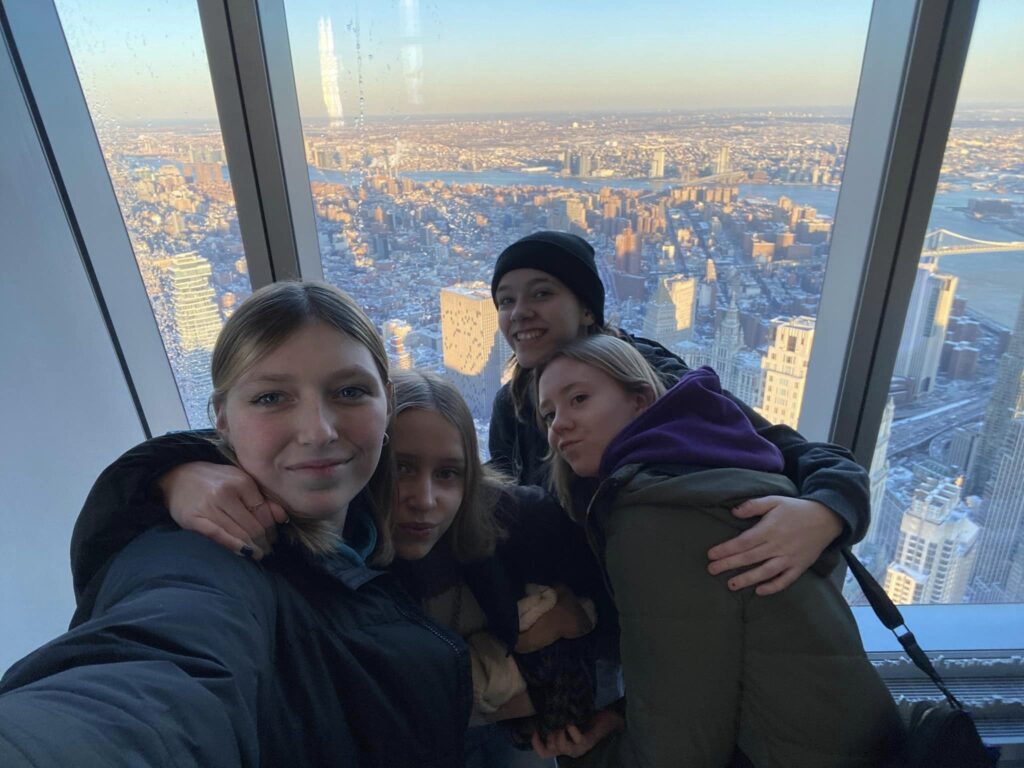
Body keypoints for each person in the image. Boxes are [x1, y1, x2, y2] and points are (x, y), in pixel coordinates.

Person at [0, 282, 471, 767]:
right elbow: (160, 673)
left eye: (350, 391)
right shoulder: (204, 558)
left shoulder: (390, 511)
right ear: (222, 418)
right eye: (271, 398)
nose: (319, 431)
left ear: (388, 403)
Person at [62, 368, 617, 768]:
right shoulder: (318, 552)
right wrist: (173, 474)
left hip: (509, 744)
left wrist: (605, 702)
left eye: (448, 473)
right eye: (401, 469)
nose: (424, 499)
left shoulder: (517, 520)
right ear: (366, 459)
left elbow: (624, 603)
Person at [532, 334, 905, 767]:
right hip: (850, 736)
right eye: (548, 414)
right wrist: (623, 716)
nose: (558, 424)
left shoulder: (653, 518)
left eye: (578, 399)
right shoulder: (705, 455)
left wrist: (589, 760)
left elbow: (680, 749)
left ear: (640, 400)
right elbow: (710, 669)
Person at [489, 230, 872, 596]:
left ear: (587, 309)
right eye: (506, 301)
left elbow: (816, 459)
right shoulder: (514, 405)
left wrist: (825, 512)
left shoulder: (652, 381)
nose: (520, 312)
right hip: (580, 616)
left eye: (541, 293)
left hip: (665, 607)